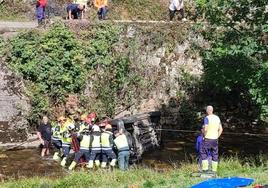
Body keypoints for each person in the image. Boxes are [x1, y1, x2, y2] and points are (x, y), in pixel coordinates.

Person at [200, 106, 223, 173]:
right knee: (215, 154)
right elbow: (221, 129)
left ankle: (205, 170)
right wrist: (217, 136)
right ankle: (214, 171)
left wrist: (203, 135)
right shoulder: (217, 118)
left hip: (207, 139)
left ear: (207, 111)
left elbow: (206, 129)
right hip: (215, 140)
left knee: (203, 153)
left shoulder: (207, 118)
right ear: (212, 110)